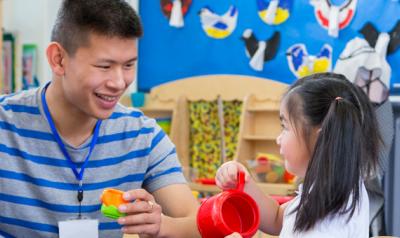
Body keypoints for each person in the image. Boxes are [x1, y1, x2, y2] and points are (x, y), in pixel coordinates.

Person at [0, 1, 200, 237]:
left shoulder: (143, 136)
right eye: (104, 66)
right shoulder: (5, 125)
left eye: (129, 65)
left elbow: (196, 223)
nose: (118, 83)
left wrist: (161, 226)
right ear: (58, 59)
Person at [218, 73, 381, 237]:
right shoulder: (331, 190)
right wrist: (244, 185)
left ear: (319, 138)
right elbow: (277, 218)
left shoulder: (329, 220)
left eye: (285, 126)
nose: (278, 139)